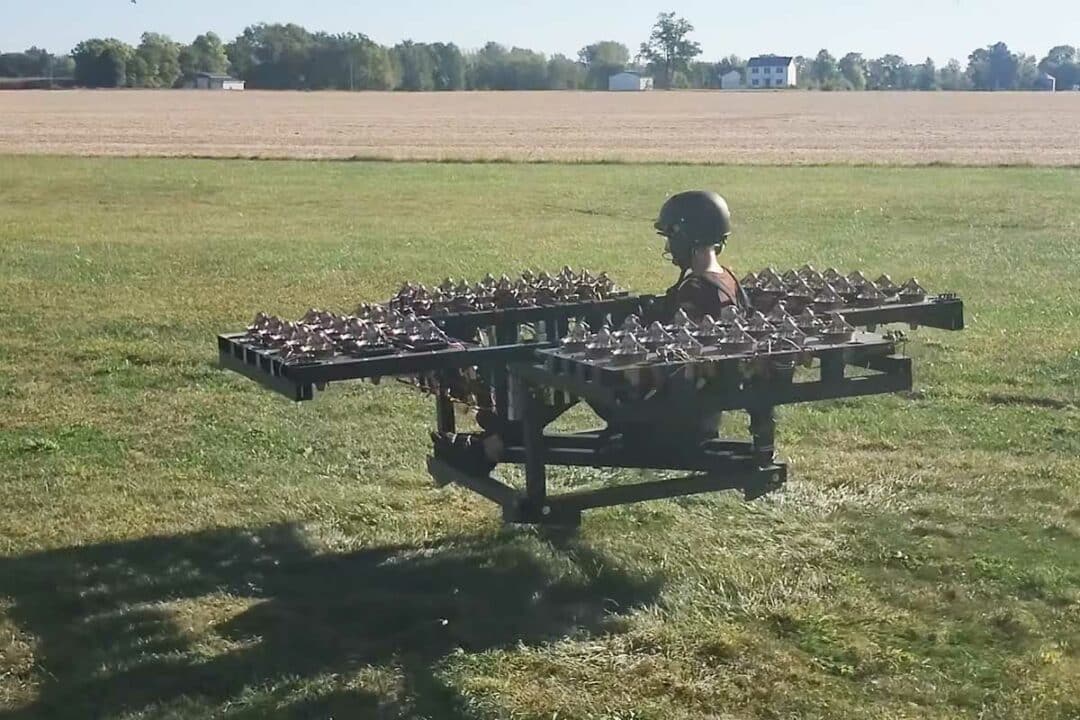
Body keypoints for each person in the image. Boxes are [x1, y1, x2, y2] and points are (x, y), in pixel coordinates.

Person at [651, 189, 749, 322]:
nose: (667, 247)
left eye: (670, 238)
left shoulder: (693, 289)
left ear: (689, 237)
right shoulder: (728, 278)